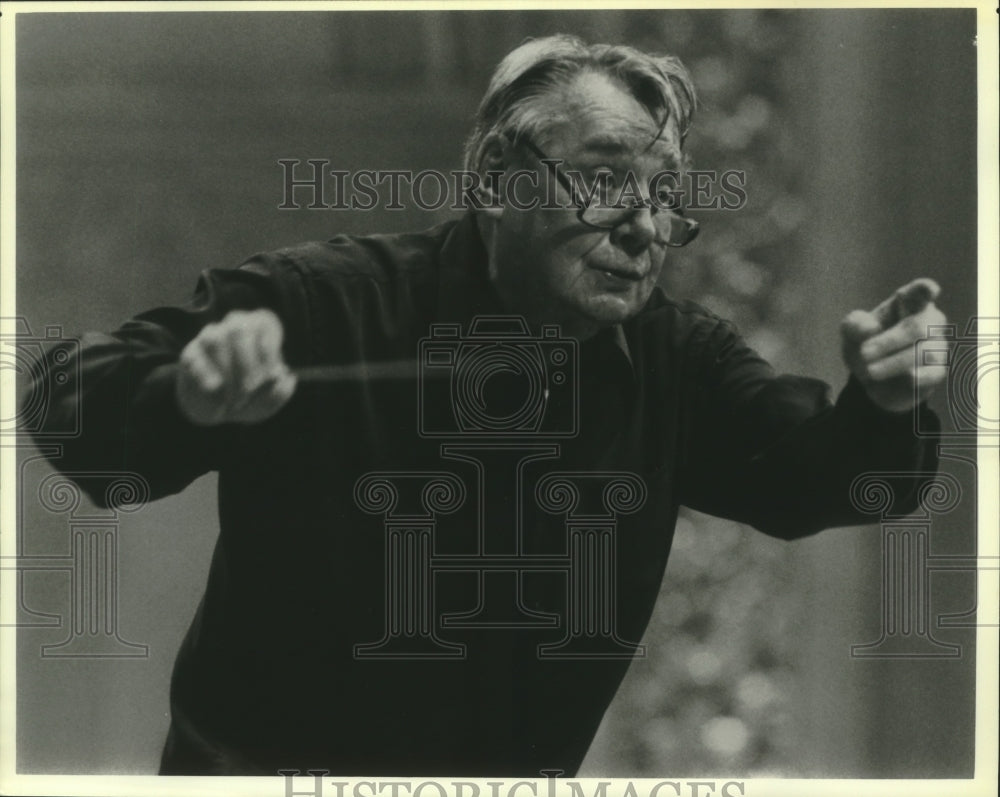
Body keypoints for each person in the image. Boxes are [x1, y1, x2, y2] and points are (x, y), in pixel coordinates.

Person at [30, 34, 947, 776]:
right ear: (498, 178)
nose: (643, 227)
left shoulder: (677, 355)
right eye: (604, 178)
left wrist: (885, 402)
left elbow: (822, 480)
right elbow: (66, 400)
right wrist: (186, 394)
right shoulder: (325, 299)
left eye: (665, 197)